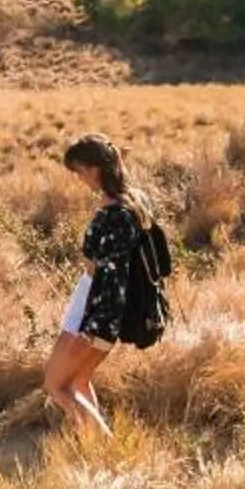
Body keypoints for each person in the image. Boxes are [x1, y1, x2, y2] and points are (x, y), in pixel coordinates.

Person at [47, 132, 148, 434]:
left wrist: (93, 326)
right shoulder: (135, 201)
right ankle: (96, 449)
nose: (79, 178)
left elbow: (104, 273)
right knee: (79, 381)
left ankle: (105, 446)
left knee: (56, 384)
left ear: (93, 169)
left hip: (93, 308)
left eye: (79, 171)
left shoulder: (111, 213)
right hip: (107, 305)